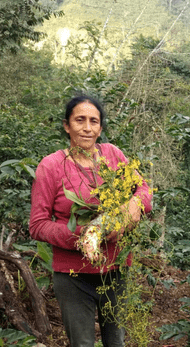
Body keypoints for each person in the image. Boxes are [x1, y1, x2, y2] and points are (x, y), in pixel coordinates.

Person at [29, 94, 152, 347]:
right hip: (74, 276)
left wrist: (131, 206)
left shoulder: (113, 155)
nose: (87, 128)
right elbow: (38, 224)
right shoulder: (51, 166)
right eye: (80, 120)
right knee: (82, 344)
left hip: (116, 269)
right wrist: (86, 235)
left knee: (116, 341)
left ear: (101, 128)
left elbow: (144, 191)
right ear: (67, 125)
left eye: (94, 121)